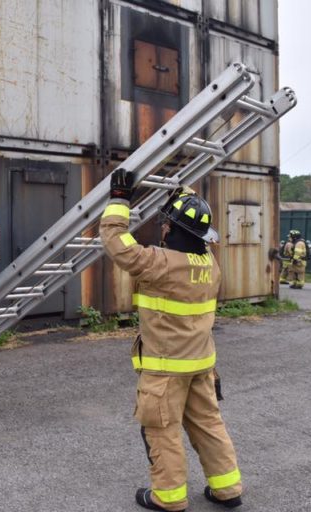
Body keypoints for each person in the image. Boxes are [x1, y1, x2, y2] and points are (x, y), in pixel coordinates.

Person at [100, 169, 242, 512]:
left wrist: (119, 200)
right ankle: (227, 489)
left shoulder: (158, 263)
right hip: (202, 366)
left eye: (167, 224)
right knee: (208, 426)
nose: (163, 228)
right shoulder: (210, 264)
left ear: (173, 230)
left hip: (165, 371)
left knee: (161, 430)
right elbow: (190, 225)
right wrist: (180, 189)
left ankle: (169, 497)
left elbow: (115, 239)